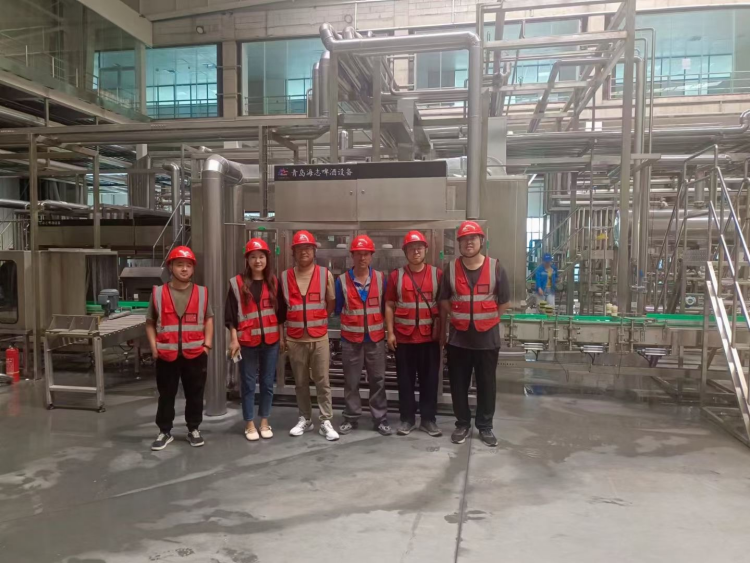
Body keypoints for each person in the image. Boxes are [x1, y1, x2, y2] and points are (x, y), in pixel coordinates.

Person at [439, 221, 510, 447]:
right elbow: (444, 300)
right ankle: (462, 424)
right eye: (464, 239)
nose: (469, 242)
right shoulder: (450, 269)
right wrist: (458, 315)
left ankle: (485, 426)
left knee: (486, 385)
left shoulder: (496, 267)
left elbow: (504, 301)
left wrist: (489, 319)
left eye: (473, 238)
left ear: (481, 241)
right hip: (459, 339)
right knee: (458, 384)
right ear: (459, 243)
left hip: (487, 340)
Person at [146, 246, 214, 451]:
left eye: (188, 265)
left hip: (195, 353)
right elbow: (150, 322)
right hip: (166, 354)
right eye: (180, 265)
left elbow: (209, 320)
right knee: (166, 395)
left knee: (195, 394)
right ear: (171, 267)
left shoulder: (201, 293)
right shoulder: (158, 293)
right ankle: (164, 431)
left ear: (193, 268)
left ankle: (194, 429)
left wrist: (207, 345)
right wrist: (154, 348)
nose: (184, 269)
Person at [280, 230, 340, 441]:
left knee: (323, 381)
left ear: (314, 251)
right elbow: (281, 308)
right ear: (293, 252)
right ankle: (305, 418)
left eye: (307, 248)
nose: (303, 251)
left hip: (319, 337)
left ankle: (325, 420)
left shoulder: (325, 274)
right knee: (300, 382)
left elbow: (331, 303)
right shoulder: (285, 277)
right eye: (299, 248)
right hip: (295, 338)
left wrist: (318, 318)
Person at [225, 238, 285, 442]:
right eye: (253, 257)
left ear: (267, 259)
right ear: (247, 260)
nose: (258, 261)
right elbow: (231, 316)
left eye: (261, 257)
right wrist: (234, 340)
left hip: (271, 341)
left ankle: (264, 421)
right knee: (249, 384)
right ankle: (249, 423)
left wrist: (282, 337)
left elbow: (280, 314)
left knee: (267, 383)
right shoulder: (237, 283)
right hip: (247, 342)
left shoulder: (274, 282)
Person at [384, 231, 443, 437]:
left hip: (429, 339)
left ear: (426, 250)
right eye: (411, 248)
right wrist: (390, 333)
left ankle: (428, 420)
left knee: (430, 381)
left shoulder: (437, 275)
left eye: (419, 248)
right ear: (405, 252)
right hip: (404, 338)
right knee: (405, 381)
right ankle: (407, 419)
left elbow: (444, 306)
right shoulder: (396, 276)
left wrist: (443, 334)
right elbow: (389, 305)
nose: (416, 251)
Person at [335, 235, 390, 436]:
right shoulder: (342, 280)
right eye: (358, 254)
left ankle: (380, 419)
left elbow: (386, 307)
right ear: (352, 256)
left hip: (375, 339)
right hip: (351, 341)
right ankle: (351, 417)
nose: (362, 258)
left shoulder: (381, 279)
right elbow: (337, 308)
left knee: (378, 380)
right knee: (351, 382)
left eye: (366, 254)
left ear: (371, 256)